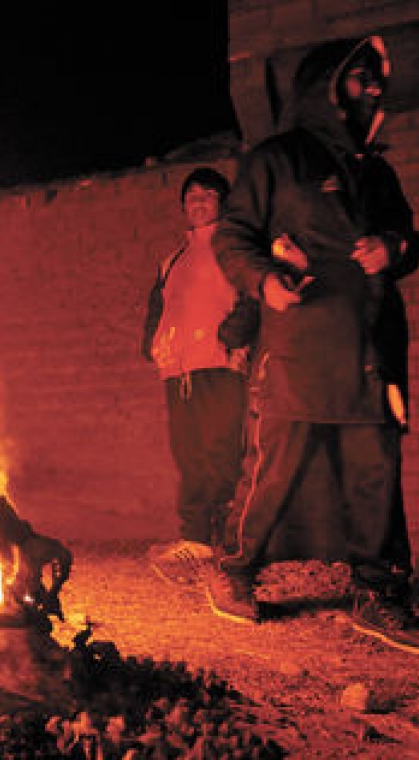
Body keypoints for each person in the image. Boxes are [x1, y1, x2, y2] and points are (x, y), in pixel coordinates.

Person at [208, 35, 419, 654]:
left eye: (375, 79)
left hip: (371, 349)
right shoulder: (276, 160)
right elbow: (232, 236)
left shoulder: (378, 171)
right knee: (273, 470)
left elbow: (409, 240)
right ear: (327, 88)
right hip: (298, 345)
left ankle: (378, 594)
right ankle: (234, 572)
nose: (374, 88)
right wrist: (263, 282)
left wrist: (395, 249)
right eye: (361, 76)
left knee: (376, 476)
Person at [141, 167, 250, 562]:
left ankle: (222, 538)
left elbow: (252, 298)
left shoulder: (234, 248)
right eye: (191, 197)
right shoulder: (172, 260)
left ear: (223, 202)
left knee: (221, 452)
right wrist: (153, 345)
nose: (199, 202)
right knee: (187, 453)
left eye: (208, 194)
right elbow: (158, 306)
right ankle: (196, 538)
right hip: (179, 370)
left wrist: (231, 336)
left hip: (220, 365)